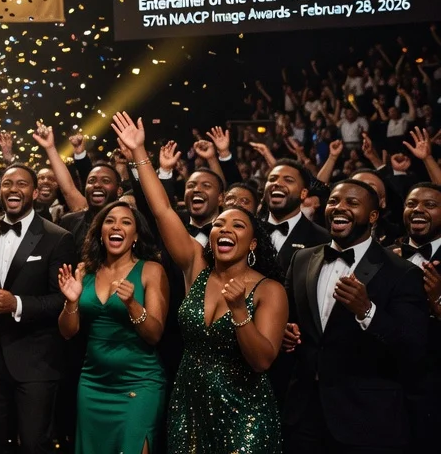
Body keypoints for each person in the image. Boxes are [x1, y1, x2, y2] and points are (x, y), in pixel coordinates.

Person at [117, 111, 286, 454]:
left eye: (238, 226)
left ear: (253, 244)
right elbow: (163, 209)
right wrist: (138, 151)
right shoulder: (195, 266)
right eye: (220, 225)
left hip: (245, 411)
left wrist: (240, 311)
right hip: (189, 403)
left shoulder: (269, 290)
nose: (225, 229)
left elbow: (262, 361)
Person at [280, 179, 427, 454]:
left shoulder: (402, 272)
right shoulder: (302, 260)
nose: (340, 207)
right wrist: (285, 332)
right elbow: (289, 319)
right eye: (334, 200)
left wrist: (367, 311)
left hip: (365, 420)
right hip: (304, 414)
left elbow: (413, 346)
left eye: (352, 202)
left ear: (372, 216)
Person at [0, 162, 76, 454]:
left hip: (36, 362)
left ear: (36, 191)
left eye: (22, 184)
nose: (13, 189)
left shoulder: (58, 237)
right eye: (7, 184)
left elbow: (61, 299)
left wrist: (16, 304)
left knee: (33, 444)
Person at [56, 201, 168, 454]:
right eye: (109, 221)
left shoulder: (151, 270)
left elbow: (154, 335)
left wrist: (132, 305)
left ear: (136, 235)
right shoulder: (85, 270)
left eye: (126, 222)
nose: (116, 226)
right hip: (93, 383)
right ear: (100, 231)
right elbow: (67, 331)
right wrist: (71, 301)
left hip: (140, 383)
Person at [393, 183, 441, 447]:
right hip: (386, 383)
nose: (418, 210)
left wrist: (438, 301)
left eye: (429, 205)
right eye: (411, 204)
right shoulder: (383, 255)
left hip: (434, 386)